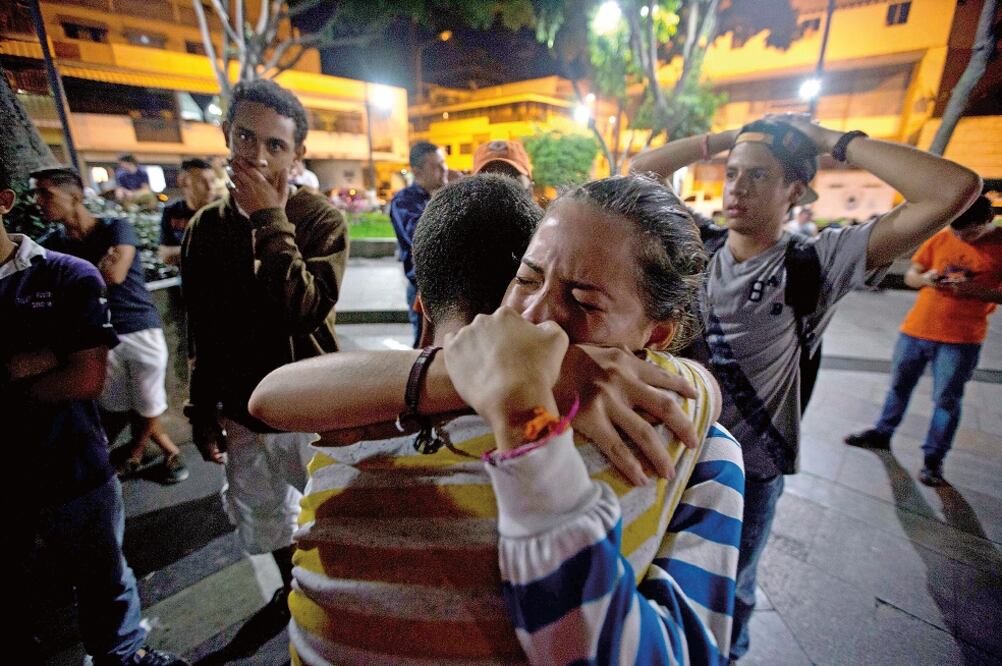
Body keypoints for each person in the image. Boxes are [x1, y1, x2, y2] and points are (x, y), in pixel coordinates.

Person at [250, 174, 745, 664]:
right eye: (527, 278)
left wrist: (527, 416)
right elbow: (270, 396)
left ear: (656, 337)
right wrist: (519, 374)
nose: (533, 313)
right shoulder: (403, 392)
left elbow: (680, 652)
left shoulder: (684, 432)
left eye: (584, 301)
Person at [629, 114, 981, 661]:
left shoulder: (816, 260)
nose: (737, 188)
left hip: (754, 468)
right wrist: (736, 137)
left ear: (795, 191)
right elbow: (642, 172)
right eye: (731, 174)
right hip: (673, 451)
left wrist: (832, 143)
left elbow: (954, 190)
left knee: (731, 587)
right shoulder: (702, 244)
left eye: (758, 176)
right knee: (657, 569)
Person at [180, 78, 348, 619]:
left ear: (297, 154)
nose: (256, 156)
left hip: (310, 407)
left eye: (275, 145)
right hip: (242, 412)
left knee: (335, 513)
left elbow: (303, 309)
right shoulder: (205, 226)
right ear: (226, 135)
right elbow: (201, 325)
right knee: (262, 515)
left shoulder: (321, 220)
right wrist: (200, 408)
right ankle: (290, 591)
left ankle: (342, 600)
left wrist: (269, 222)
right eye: (245, 138)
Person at [2, 188, 188, 666]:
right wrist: (35, 361)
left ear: (4, 201)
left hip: (71, 461)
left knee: (101, 572)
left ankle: (121, 655)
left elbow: (84, 375)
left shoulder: (63, 271)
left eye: (50, 193)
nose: (43, 202)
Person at [35, 167, 187, 484]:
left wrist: (79, 283)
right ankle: (167, 450)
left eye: (46, 193)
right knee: (128, 402)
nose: (38, 201)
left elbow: (114, 275)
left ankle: (136, 455)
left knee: (147, 401)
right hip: (96, 336)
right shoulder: (50, 245)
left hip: (138, 326)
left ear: (75, 195)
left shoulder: (115, 227)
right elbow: (72, 288)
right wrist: (90, 277)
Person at [845, 196, 1001, 485]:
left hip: (962, 338)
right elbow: (911, 276)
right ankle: (883, 432)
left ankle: (933, 459)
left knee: (946, 399)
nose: (960, 238)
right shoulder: (942, 239)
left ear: (987, 222)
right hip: (916, 330)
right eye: (956, 231)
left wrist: (976, 290)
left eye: (969, 233)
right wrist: (928, 279)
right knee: (898, 386)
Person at [390, 141, 447, 346]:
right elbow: (421, 236)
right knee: (423, 346)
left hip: (450, 286)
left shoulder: (441, 194)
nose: (444, 170)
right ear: (417, 171)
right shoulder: (405, 200)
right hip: (422, 287)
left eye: (443, 164)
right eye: (436, 166)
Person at [160, 158, 216, 266]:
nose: (210, 187)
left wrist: (180, 251)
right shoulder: (172, 211)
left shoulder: (225, 211)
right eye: (202, 181)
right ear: (183, 181)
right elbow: (166, 256)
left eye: (212, 181)